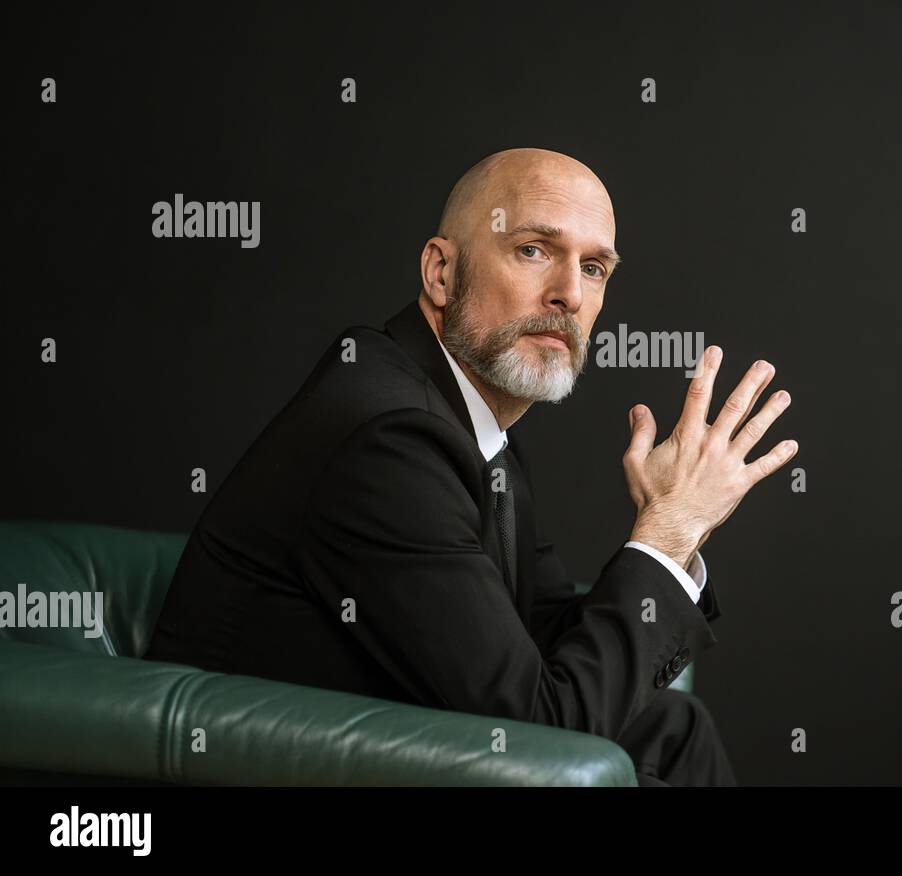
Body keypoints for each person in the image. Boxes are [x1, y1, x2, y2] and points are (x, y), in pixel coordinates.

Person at [144, 147, 798, 785]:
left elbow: (537, 647)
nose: (568, 293)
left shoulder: (474, 426)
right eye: (533, 250)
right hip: (266, 766)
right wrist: (663, 536)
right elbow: (535, 731)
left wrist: (675, 533)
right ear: (440, 273)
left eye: (594, 267)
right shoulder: (390, 438)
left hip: (406, 738)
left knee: (672, 732)